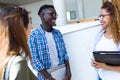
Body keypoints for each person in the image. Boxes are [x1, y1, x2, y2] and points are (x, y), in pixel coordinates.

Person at [28, 4, 71, 80]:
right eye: (51, 14)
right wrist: (49, 78)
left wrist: (68, 73)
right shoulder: (33, 36)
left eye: (55, 14)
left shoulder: (58, 33)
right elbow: (35, 62)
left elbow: (65, 55)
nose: (55, 16)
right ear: (42, 16)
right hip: (45, 77)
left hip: (61, 74)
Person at [0, 6, 38, 80]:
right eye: (30, 23)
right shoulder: (18, 62)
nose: (31, 29)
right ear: (23, 29)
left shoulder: (3, 58)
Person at [91, 1, 120, 80]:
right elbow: (95, 56)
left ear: (113, 16)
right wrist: (94, 62)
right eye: (99, 16)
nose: (100, 19)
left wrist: (106, 66)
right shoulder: (99, 36)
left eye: (103, 16)